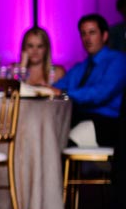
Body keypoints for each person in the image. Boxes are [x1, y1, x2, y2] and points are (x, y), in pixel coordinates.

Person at [51, 14, 126, 148]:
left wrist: (63, 93)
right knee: (49, 131)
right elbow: (57, 90)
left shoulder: (118, 61)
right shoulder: (80, 68)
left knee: (60, 139)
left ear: (104, 36)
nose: (87, 38)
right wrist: (48, 90)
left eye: (92, 32)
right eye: (83, 34)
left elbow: (99, 95)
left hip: (107, 123)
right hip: (78, 118)